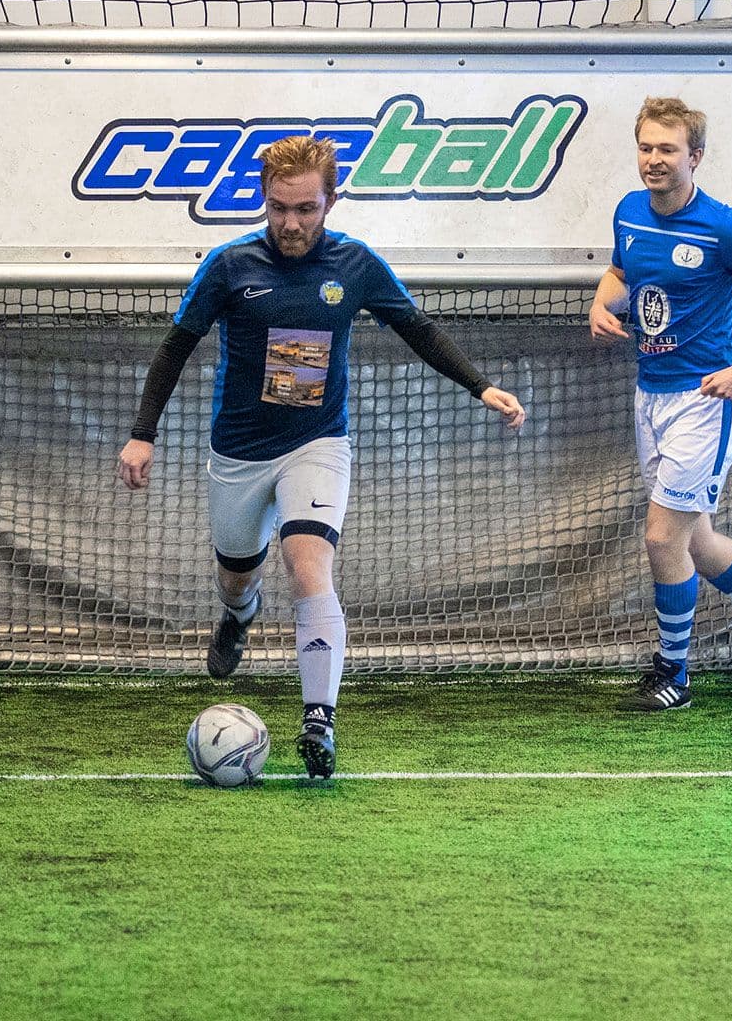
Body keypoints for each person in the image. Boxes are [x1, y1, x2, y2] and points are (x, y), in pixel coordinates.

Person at [116, 135, 526, 779]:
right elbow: (176, 345)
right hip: (239, 452)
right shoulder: (229, 266)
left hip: (318, 442)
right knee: (237, 575)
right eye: (279, 209)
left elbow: (416, 328)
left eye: (306, 208)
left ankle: (319, 720)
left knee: (309, 568)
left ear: (331, 200)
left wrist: (480, 384)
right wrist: (144, 432)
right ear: (264, 201)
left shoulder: (355, 265)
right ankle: (237, 615)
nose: (291, 223)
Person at [587, 97, 732, 712]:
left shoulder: (726, 228)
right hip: (649, 393)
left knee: (663, 537)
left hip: (705, 400)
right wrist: (599, 302)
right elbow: (619, 273)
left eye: (668, 149)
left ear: (695, 156)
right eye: (646, 147)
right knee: (697, 541)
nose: (654, 160)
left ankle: (674, 673)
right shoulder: (630, 211)